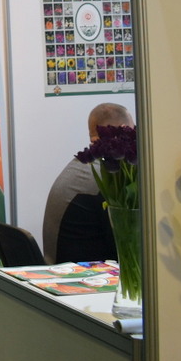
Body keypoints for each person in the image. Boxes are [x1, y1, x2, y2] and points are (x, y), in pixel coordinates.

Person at [42, 102, 134, 264]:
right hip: (81, 274)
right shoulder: (107, 180)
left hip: (59, 266)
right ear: (123, 130)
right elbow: (126, 246)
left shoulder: (79, 166)